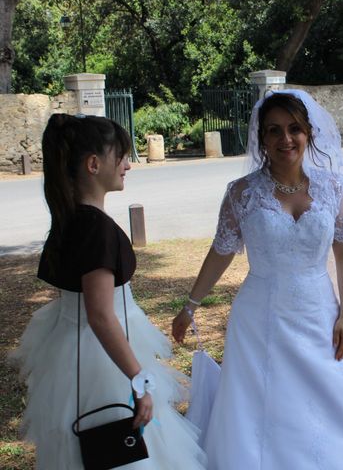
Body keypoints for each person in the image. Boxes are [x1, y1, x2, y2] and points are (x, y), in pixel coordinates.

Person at [172, 90, 343, 469]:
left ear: (309, 133)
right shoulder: (241, 193)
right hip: (260, 317)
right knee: (263, 405)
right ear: (262, 139)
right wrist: (190, 305)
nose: (285, 139)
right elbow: (222, 251)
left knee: (331, 399)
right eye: (274, 131)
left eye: (294, 129)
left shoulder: (332, 188)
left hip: (319, 312)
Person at [9, 114, 206, 469]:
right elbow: (101, 315)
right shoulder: (96, 229)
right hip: (105, 356)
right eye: (122, 156)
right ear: (94, 164)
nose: (128, 165)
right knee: (124, 448)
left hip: (74, 348)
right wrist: (139, 379)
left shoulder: (69, 220)